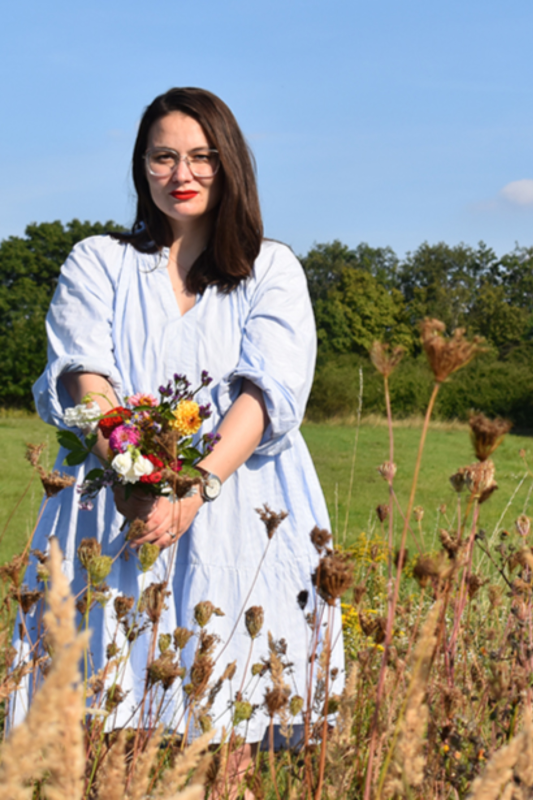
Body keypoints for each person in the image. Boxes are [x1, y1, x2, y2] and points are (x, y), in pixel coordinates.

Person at [10, 87, 343, 793]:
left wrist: (194, 490)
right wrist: (134, 482)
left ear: (230, 166)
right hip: (113, 503)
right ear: (142, 166)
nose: (181, 172)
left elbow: (265, 395)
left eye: (200, 156)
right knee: (108, 718)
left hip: (242, 505)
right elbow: (83, 378)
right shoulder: (97, 261)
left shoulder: (269, 269)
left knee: (232, 718)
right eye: (163, 156)